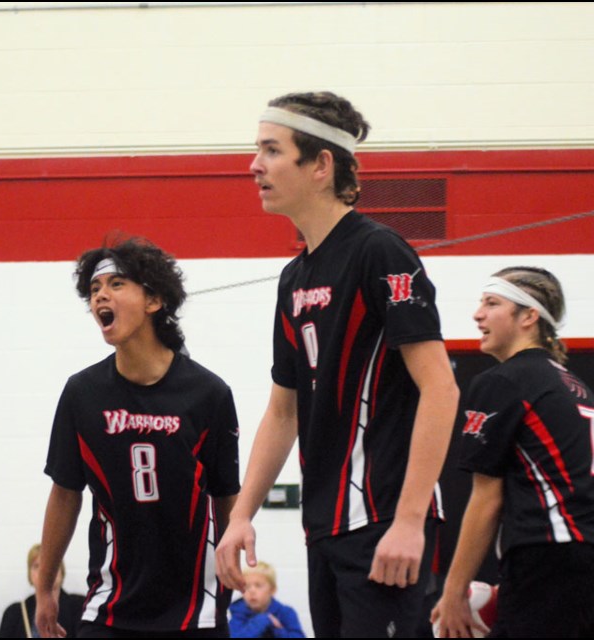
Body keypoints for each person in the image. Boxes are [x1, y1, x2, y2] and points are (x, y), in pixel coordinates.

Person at [215, 91, 460, 638]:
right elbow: (283, 413)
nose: (254, 165)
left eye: (272, 151)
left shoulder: (382, 252)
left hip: (383, 522)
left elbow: (441, 389)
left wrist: (410, 520)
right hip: (323, 528)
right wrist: (240, 516)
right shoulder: (293, 277)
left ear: (321, 165)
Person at [35, 238, 240, 638]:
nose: (100, 297)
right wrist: (45, 587)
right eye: (94, 290)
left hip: (194, 610)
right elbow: (64, 494)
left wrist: (232, 569)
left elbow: (226, 497)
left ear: (154, 300)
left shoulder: (209, 394)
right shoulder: (82, 393)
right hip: (110, 605)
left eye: (115, 284)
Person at [431, 266, 594, 638]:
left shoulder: (502, 380)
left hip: (553, 560)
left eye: (492, 303)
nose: (478, 314)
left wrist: (454, 589)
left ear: (529, 316)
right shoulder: (574, 384)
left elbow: (487, 498)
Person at [0, 544, 84, 638]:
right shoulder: (14, 613)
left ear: (61, 570)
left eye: (52, 565)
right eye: (36, 566)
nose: (44, 572)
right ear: (30, 575)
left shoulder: (81, 606)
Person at [228, 562, 304, 638]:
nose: (251, 591)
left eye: (258, 585)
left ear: (272, 589)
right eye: (246, 586)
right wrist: (261, 621)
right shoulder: (238, 614)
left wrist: (277, 630)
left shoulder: (286, 613)